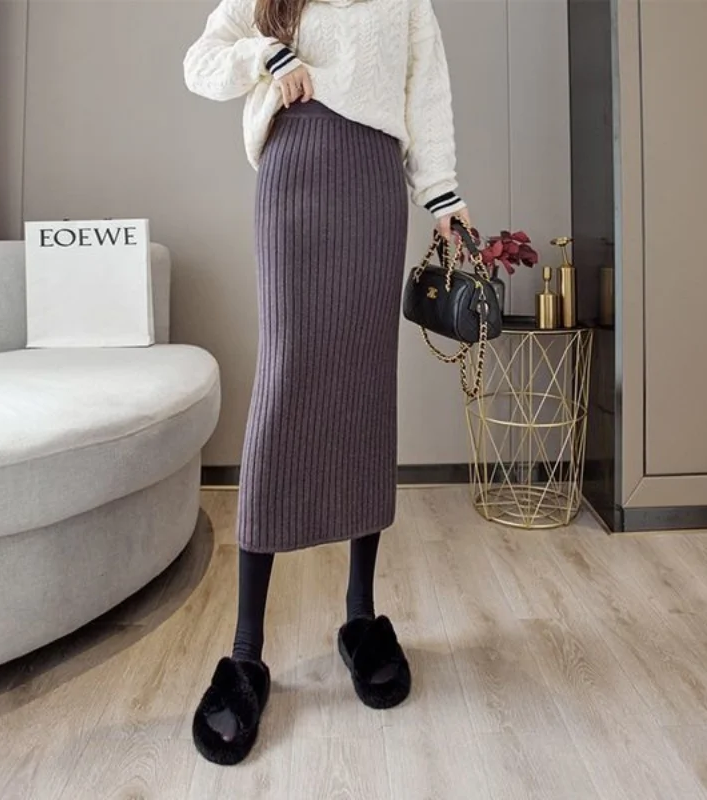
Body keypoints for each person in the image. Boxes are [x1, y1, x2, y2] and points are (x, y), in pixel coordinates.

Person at [183, 0, 471, 765]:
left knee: (365, 389)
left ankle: (360, 616)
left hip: (375, 186)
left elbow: (426, 90)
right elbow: (200, 63)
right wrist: (265, 58)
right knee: (286, 389)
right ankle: (246, 650)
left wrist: (442, 196)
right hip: (295, 176)